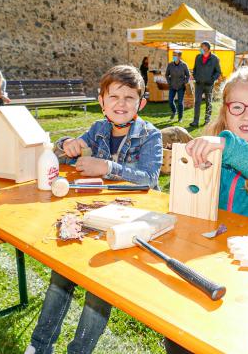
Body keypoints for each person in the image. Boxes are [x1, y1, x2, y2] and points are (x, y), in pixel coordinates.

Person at [25, 65, 162, 354]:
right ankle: (39, 346)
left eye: (129, 98)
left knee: (98, 287)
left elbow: (150, 178)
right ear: (101, 101)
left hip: (132, 222)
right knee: (61, 273)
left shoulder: (151, 135)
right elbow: (64, 154)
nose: (120, 104)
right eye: (113, 97)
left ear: (141, 103)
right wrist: (68, 144)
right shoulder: (98, 128)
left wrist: (108, 167)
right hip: (95, 213)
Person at [165, 67, 248, 354]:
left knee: (240, 332)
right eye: (237, 107)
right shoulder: (212, 147)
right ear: (225, 111)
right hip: (208, 256)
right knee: (184, 331)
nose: (247, 115)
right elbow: (189, 197)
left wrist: (227, 145)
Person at [191, 41, 221, 127]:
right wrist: (195, 76)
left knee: (208, 102)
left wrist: (212, 79)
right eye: (201, 46)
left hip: (209, 84)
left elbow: (218, 72)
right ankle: (195, 121)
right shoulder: (198, 57)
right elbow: (195, 69)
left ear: (207, 48)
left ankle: (207, 120)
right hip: (199, 84)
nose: (201, 48)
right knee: (197, 102)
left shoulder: (215, 58)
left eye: (202, 47)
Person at [165, 50, 190, 122]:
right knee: (170, 101)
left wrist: (185, 82)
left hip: (181, 86)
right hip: (172, 85)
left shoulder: (184, 65)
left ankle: (180, 117)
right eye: (173, 55)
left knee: (180, 102)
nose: (173, 56)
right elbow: (167, 75)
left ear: (179, 56)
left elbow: (188, 75)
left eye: (175, 55)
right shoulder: (170, 65)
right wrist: (169, 82)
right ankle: (174, 111)